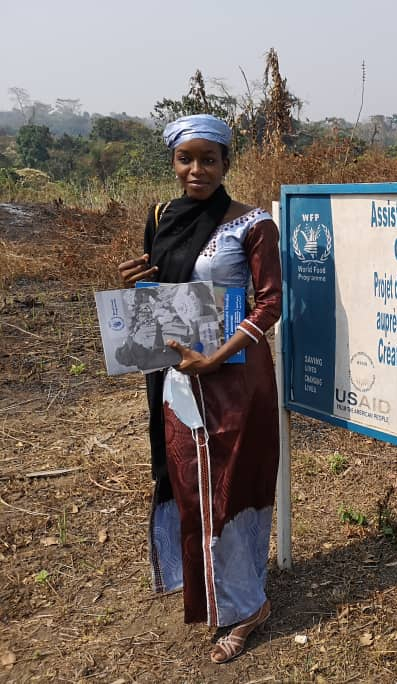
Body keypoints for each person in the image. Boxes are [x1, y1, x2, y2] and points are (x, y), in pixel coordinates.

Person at [117, 114, 281, 664]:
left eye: (208, 159)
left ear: (226, 163)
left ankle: (246, 607)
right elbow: (161, 296)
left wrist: (216, 356)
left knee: (231, 491)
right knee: (192, 486)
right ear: (172, 162)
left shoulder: (251, 224)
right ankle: (214, 591)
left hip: (234, 380)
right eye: (186, 159)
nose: (197, 170)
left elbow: (270, 302)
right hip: (178, 380)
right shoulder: (163, 217)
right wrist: (139, 282)